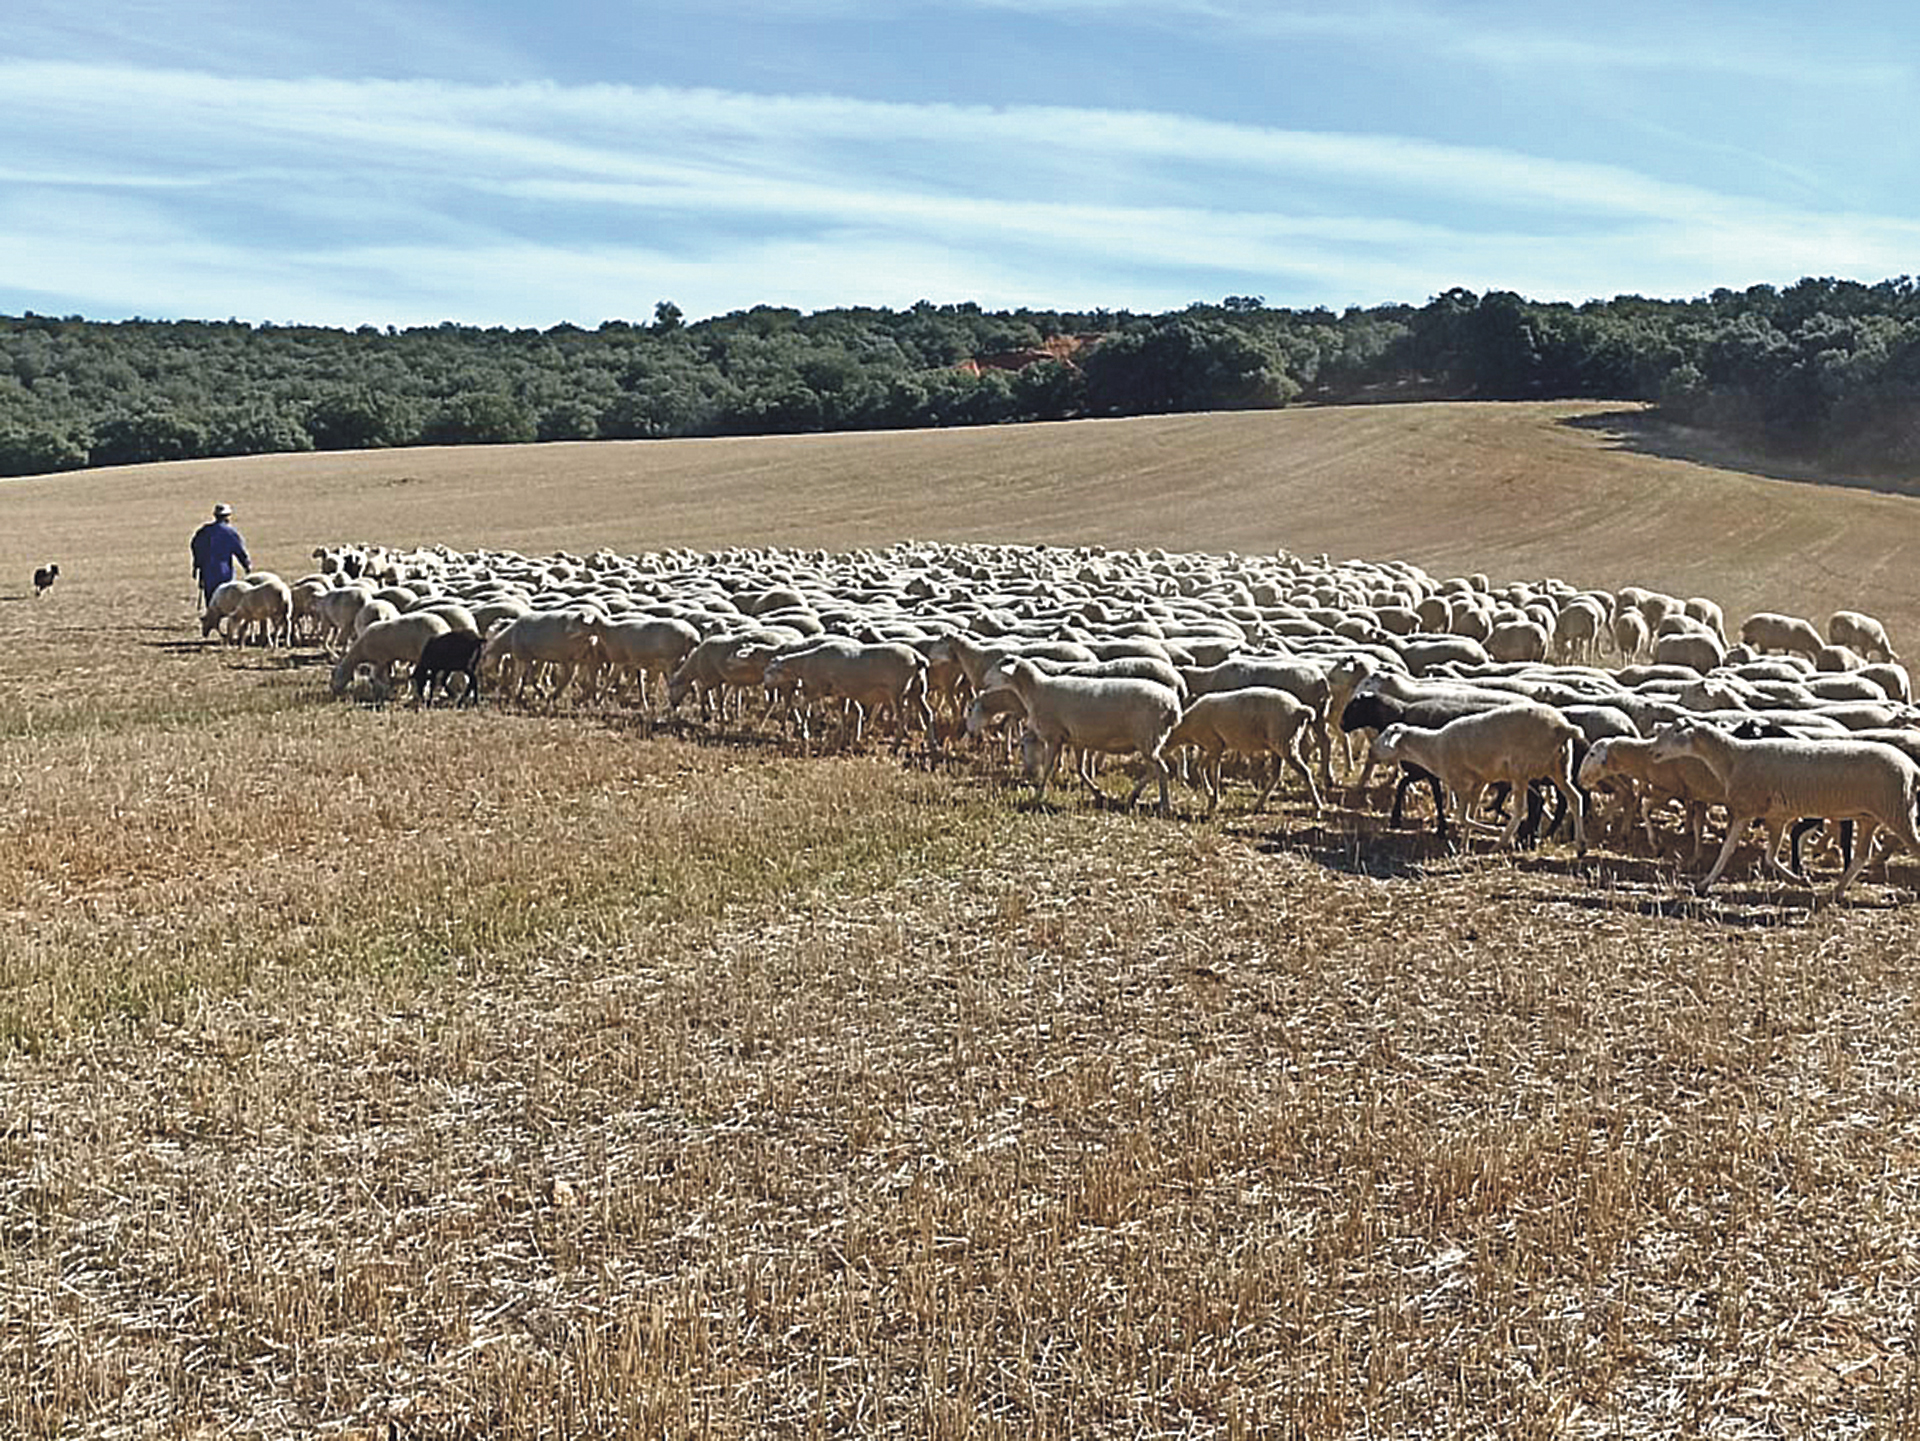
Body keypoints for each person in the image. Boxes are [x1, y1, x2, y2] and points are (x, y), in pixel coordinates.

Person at [190, 502, 251, 604]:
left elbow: (196, 548)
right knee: (227, 601)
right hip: (224, 572)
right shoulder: (230, 532)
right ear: (227, 517)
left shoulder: (204, 531)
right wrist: (246, 565)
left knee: (211, 603)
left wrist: (196, 566)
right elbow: (239, 550)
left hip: (207, 572)